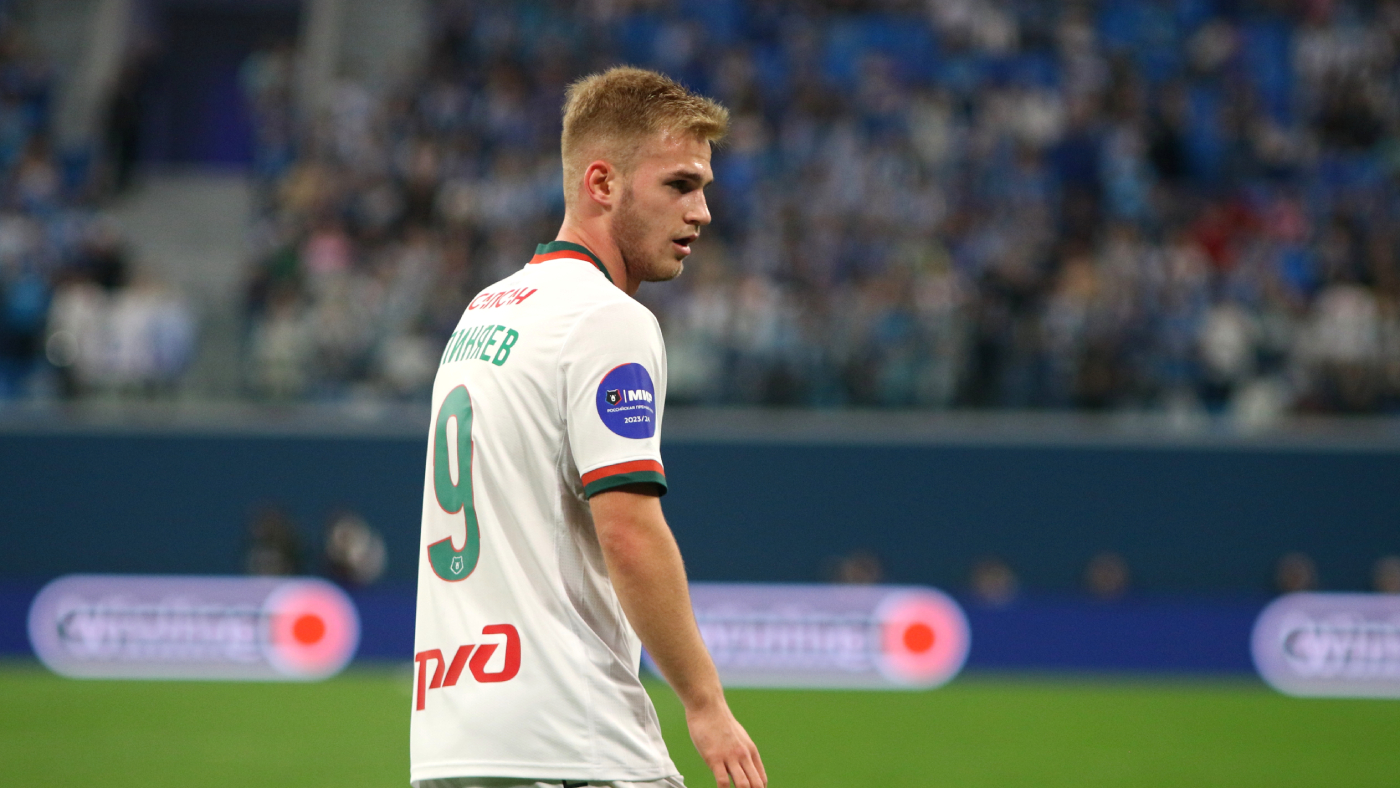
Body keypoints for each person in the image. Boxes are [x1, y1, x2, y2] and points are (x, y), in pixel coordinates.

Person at [410, 67, 766, 788]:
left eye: (703, 188)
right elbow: (628, 532)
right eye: (679, 185)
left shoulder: (484, 312)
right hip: (570, 735)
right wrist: (706, 705)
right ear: (602, 183)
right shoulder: (606, 319)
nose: (701, 212)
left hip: (453, 738)